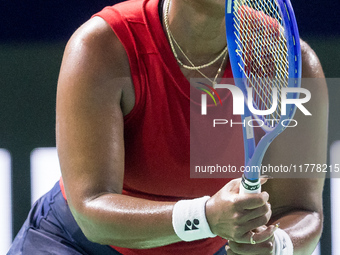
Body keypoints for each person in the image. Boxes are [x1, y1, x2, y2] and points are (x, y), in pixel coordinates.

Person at [8, 0, 328, 254]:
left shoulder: (291, 63)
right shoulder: (103, 46)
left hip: (210, 248)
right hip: (76, 245)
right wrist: (205, 216)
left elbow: (302, 210)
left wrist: (278, 245)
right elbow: (92, 212)